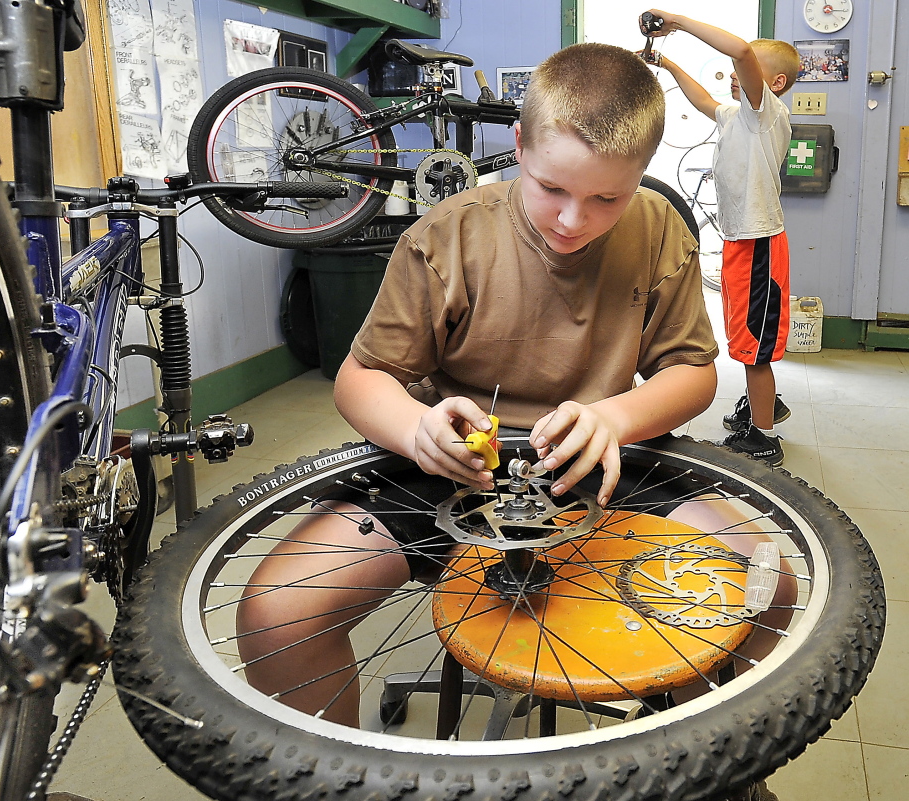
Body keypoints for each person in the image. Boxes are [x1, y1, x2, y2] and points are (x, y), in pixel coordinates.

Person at [236, 42, 718, 728]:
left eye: (606, 197)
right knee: (275, 612)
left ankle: (708, 765)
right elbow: (360, 376)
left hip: (609, 457)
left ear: (642, 174)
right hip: (459, 468)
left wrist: (614, 416)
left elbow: (692, 373)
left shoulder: (659, 228)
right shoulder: (446, 236)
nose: (571, 220)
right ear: (518, 145)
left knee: (765, 582)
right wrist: (414, 429)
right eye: (552, 187)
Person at [641, 10, 801, 466]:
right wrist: (667, 66)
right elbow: (703, 101)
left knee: (754, 348)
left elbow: (742, 51)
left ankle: (763, 437)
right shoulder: (737, 114)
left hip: (759, 245)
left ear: (776, 83)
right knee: (746, 339)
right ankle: (763, 405)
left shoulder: (766, 113)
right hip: (741, 241)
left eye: (745, 72)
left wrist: (677, 21)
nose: (735, 74)